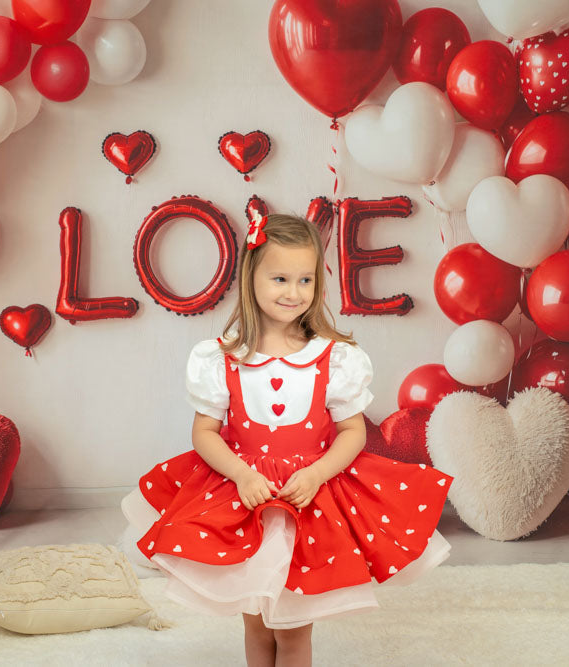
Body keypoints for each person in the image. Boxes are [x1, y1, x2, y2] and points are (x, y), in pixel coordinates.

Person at [122, 213, 453, 666]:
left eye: (305, 280)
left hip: (309, 505)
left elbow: (353, 432)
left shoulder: (333, 358)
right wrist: (240, 474)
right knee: (256, 629)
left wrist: (317, 473)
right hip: (243, 499)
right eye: (280, 278)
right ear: (250, 276)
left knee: (293, 633)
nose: (293, 292)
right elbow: (204, 432)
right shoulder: (223, 358)